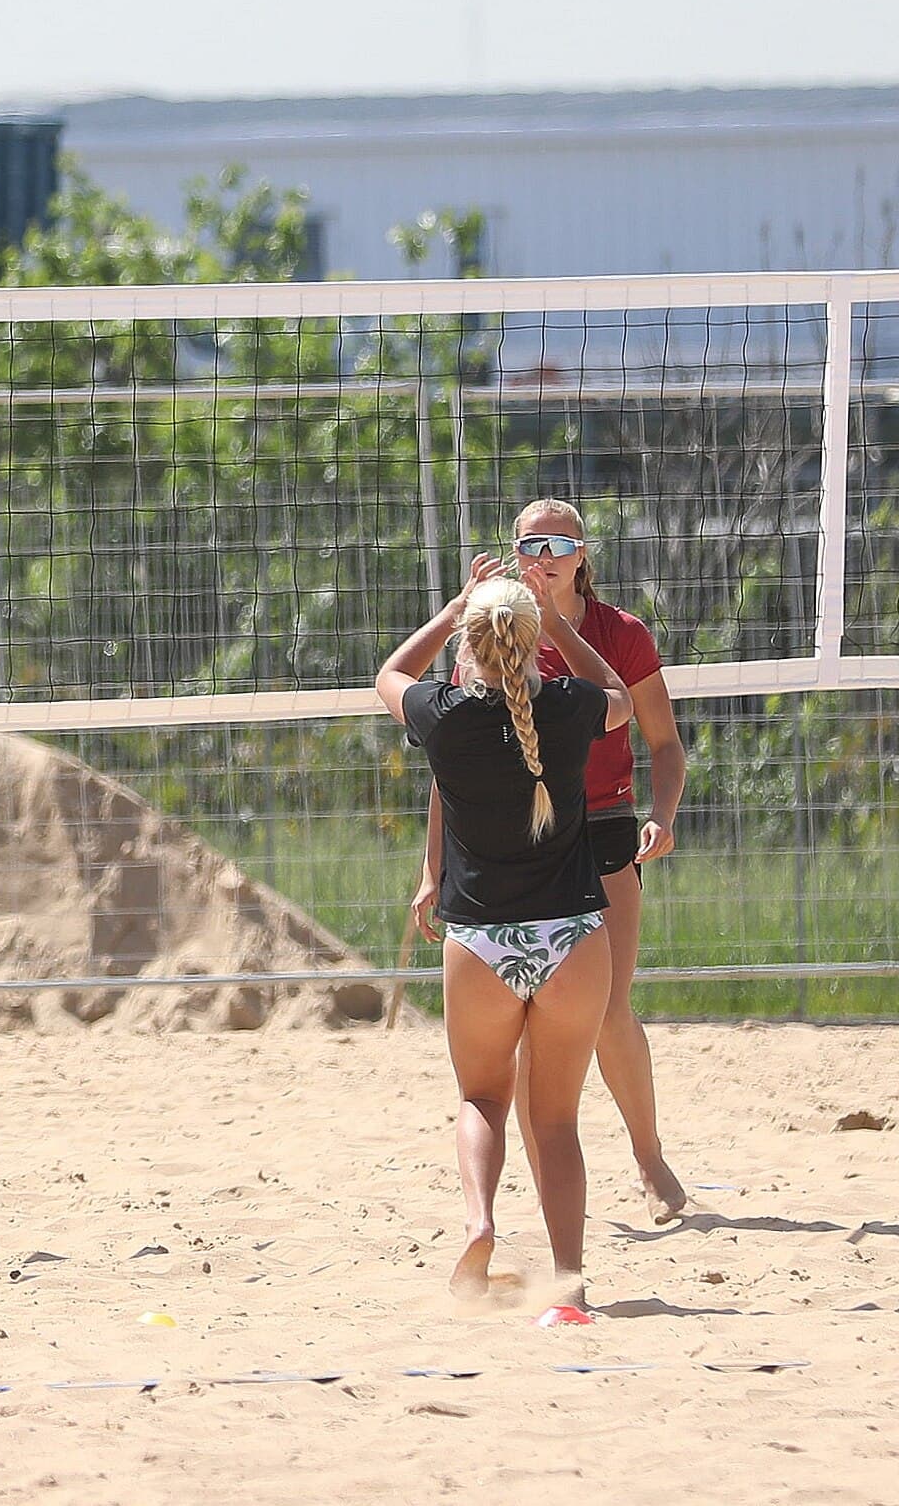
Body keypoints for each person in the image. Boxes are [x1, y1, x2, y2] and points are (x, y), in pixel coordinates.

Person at [412, 498, 690, 1222]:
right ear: (513, 553)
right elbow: (453, 765)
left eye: (560, 544)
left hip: (601, 823)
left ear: (581, 556)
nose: (545, 555)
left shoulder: (619, 634)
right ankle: (554, 1205)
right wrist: (431, 868)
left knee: (609, 1010)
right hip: (521, 834)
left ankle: (648, 1155)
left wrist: (662, 816)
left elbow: (663, 742)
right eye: (532, 544)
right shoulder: (498, 627)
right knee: (535, 1040)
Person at [377, 556, 635, 1314]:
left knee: (483, 1097)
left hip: (482, 942)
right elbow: (621, 698)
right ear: (531, 641)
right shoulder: (571, 704)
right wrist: (558, 625)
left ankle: (480, 1222)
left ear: (469, 642)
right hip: (572, 939)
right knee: (554, 1120)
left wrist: (454, 606)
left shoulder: (443, 715)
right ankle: (570, 1285)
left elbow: (389, 673)